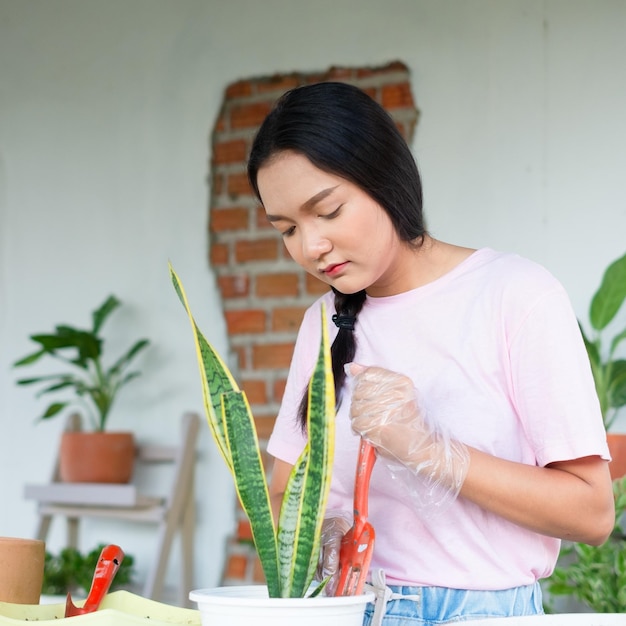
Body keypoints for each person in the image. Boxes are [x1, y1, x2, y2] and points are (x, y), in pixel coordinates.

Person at [246, 81, 614, 625]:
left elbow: (591, 512)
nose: (310, 247)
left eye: (328, 211)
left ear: (383, 176)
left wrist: (431, 449)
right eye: (287, 229)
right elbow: (282, 491)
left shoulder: (515, 295)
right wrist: (323, 536)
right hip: (348, 608)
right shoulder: (322, 324)